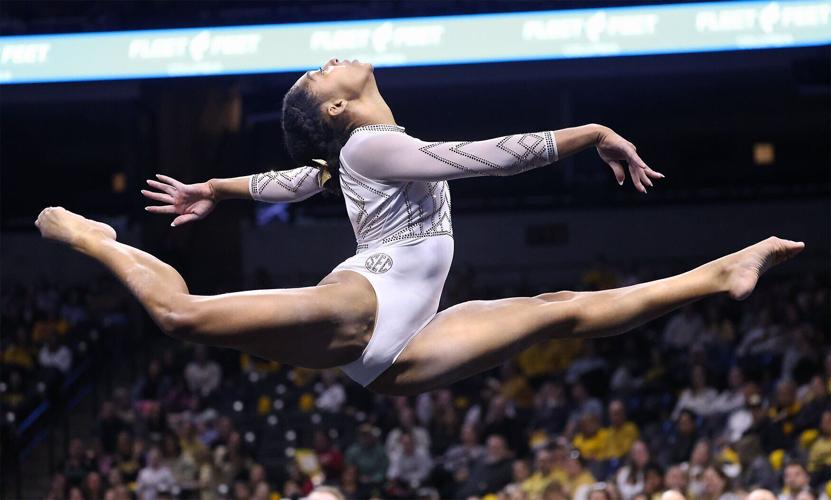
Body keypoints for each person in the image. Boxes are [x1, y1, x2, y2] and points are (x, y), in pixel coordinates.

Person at [36, 57, 805, 396]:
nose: (329, 60)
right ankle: (89, 237)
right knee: (180, 316)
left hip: (400, 346)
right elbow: (482, 160)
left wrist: (220, 187)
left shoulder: (356, 152)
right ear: (335, 109)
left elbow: (306, 178)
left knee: (560, 311)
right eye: (319, 73)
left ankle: (723, 269)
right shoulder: (375, 144)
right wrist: (587, 130)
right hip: (370, 302)